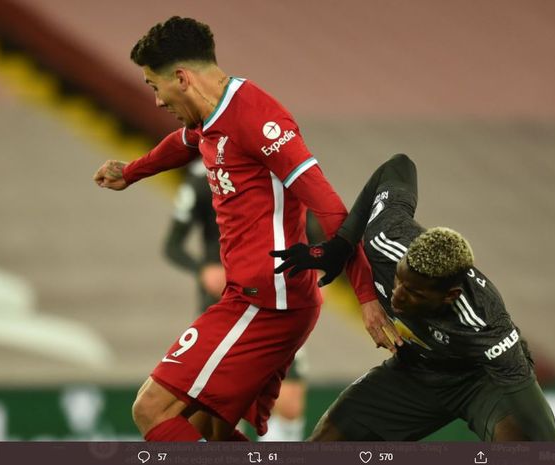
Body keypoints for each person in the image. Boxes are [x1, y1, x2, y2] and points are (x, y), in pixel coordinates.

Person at [92, 16, 378, 442]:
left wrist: (368, 299)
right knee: (207, 429)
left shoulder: (259, 121)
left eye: (154, 86)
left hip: (269, 304)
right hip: (249, 297)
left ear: (182, 77)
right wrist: (133, 172)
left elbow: (333, 211)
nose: (155, 102)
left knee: (152, 410)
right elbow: (185, 141)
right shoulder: (210, 117)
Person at [272, 154, 555, 441]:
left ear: (450, 295)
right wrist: (343, 243)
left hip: (481, 381)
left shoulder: (485, 323)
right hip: (418, 371)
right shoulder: (385, 237)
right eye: (399, 280)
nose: (398, 296)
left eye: (414, 293)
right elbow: (399, 165)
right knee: (326, 443)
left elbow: (526, 399)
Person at [163, 159, 308, 441]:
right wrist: (202, 269)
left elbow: (312, 233)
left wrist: (316, 269)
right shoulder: (202, 178)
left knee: (289, 403)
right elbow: (172, 245)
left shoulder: (279, 172)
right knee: (224, 406)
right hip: (225, 305)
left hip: (278, 304)